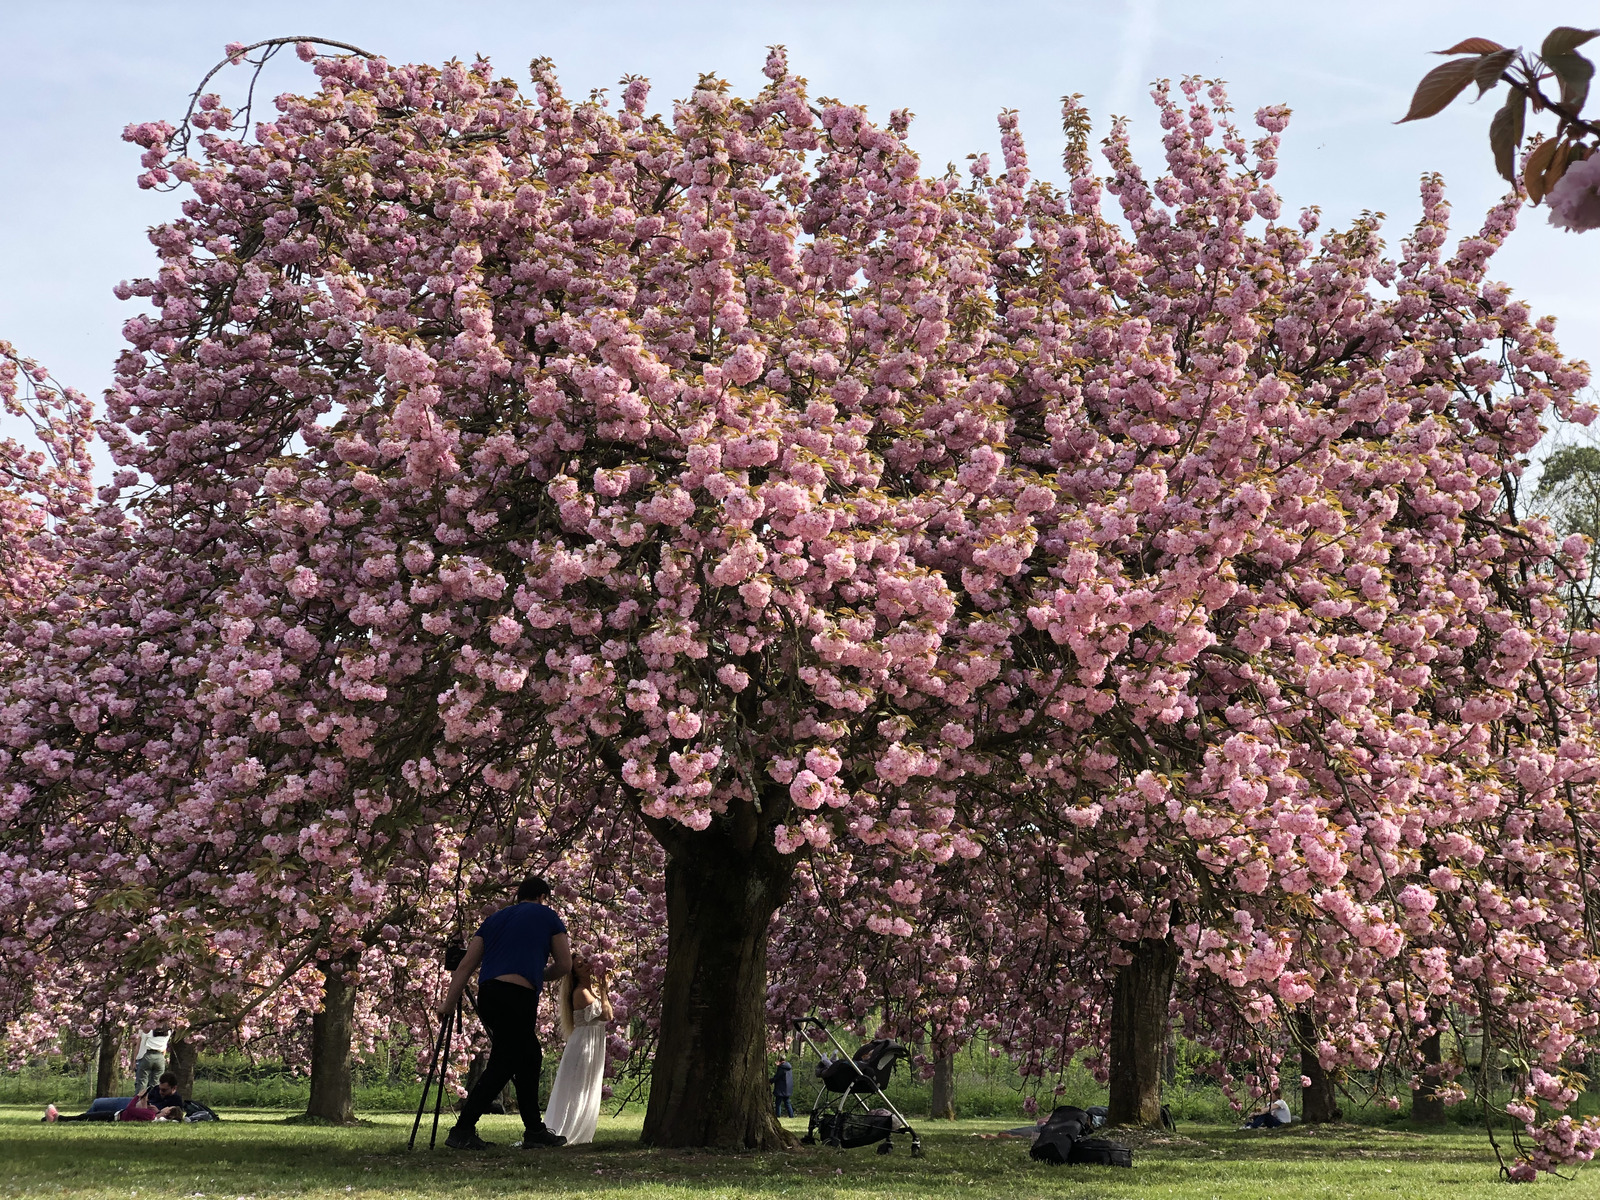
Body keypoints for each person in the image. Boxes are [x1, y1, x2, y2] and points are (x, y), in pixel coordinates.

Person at [439, 874, 572, 1151]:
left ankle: (534, 1130)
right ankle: (463, 1129)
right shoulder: (548, 916)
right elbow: (564, 964)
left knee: (528, 1056)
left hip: (489, 995)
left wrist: (448, 1003)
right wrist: (540, 973)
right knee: (505, 1063)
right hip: (518, 996)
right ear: (543, 897)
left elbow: (465, 965)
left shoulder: (493, 920)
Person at [543, 958, 614, 1145]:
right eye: (580, 966)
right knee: (577, 1089)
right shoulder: (581, 993)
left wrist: (602, 990)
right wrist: (605, 990)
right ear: (575, 974)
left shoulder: (591, 992)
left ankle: (581, 1130)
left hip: (592, 1043)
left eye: (585, 962)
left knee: (587, 1087)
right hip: (584, 1045)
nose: (587, 966)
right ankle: (568, 1129)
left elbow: (609, 1015)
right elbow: (606, 1015)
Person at [47, 1072, 187, 1123]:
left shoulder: (175, 1102)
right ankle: (62, 1119)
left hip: (127, 1111)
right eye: (160, 1089)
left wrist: (155, 1110)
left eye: (165, 1090)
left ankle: (61, 1119)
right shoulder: (156, 1091)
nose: (161, 1092)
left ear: (174, 1088)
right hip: (129, 1109)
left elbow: (135, 1110)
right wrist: (144, 1100)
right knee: (97, 1105)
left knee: (92, 1115)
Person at [133, 1029, 171, 1094]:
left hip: (149, 1055)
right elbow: (165, 1048)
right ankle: (153, 1101)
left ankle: (139, 1101)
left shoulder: (148, 1031)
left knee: (142, 1082)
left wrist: (135, 1060)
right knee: (156, 1083)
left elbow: (140, 1045)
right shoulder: (168, 1032)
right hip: (160, 1057)